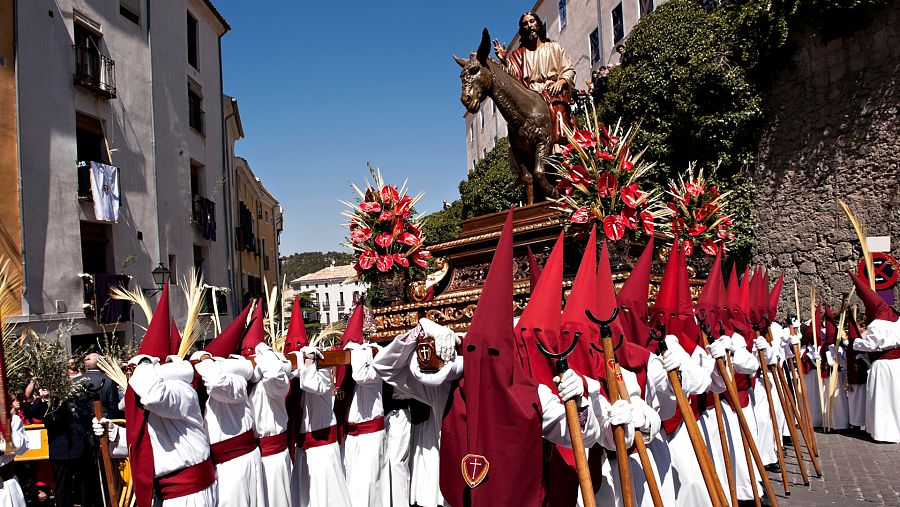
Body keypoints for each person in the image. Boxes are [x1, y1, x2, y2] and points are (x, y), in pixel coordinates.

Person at [493, 12, 576, 142]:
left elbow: (569, 69)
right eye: (525, 24)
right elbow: (513, 79)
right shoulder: (518, 55)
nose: (530, 25)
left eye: (532, 21)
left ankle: (560, 147)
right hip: (530, 96)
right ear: (522, 29)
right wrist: (504, 61)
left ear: (538, 24)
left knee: (558, 111)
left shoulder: (554, 47)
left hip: (552, 92)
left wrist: (561, 80)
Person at [848, 272, 900, 443]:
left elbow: (871, 345)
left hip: (883, 366)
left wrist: (855, 342)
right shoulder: (897, 320)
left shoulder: (877, 325)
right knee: (895, 397)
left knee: (883, 399)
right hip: (897, 365)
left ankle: (884, 432)